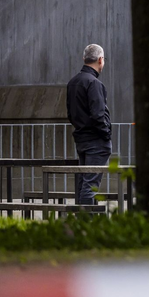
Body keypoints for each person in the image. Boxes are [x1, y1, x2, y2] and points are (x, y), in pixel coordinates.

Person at [66, 44, 112, 206]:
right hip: (96, 141)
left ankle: (80, 222)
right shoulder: (94, 84)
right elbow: (98, 115)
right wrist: (106, 134)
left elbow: (71, 114)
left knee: (83, 182)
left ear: (84, 59)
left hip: (81, 139)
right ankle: (87, 223)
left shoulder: (73, 82)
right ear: (100, 60)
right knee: (90, 185)